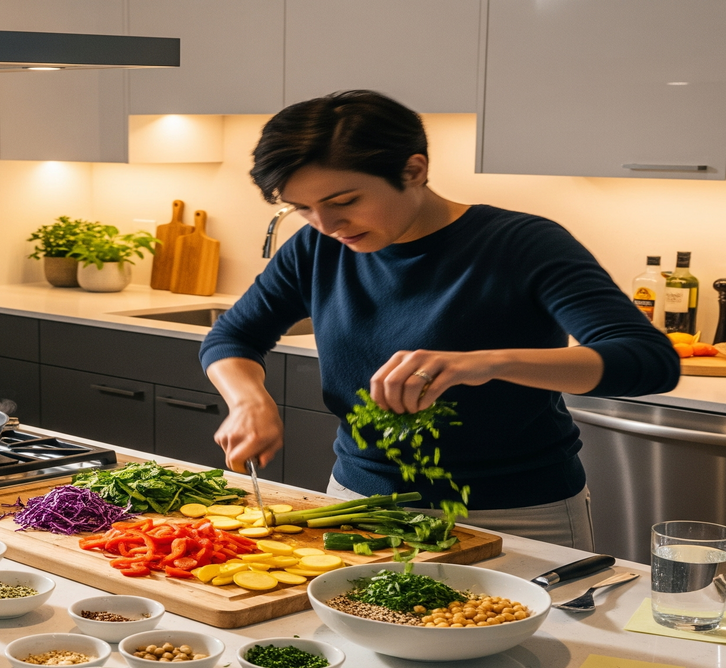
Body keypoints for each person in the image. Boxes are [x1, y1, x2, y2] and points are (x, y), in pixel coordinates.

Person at [200, 90, 680, 548]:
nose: (327, 225)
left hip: (520, 514)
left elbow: (647, 359)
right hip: (357, 504)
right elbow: (234, 336)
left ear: (414, 169)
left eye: (344, 202)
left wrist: (486, 363)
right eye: (303, 208)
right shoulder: (315, 248)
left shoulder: (521, 243)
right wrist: (248, 400)